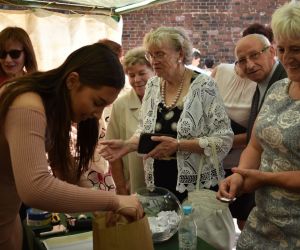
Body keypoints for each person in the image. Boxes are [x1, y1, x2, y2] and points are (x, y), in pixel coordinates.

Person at [0, 43, 143, 250]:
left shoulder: (51, 105)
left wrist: (99, 204)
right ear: (72, 81)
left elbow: (63, 165)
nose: (97, 113)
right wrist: (113, 201)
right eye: (97, 102)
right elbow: (35, 189)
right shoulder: (26, 105)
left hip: (9, 225)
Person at [100, 26, 233, 203]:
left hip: (196, 188)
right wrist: (128, 145)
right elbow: (144, 130)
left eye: (160, 54)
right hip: (158, 184)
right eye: (150, 55)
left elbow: (224, 139)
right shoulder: (153, 86)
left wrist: (178, 145)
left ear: (179, 54)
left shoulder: (204, 86)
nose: (154, 61)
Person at [218, 2, 300, 248]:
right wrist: (241, 176)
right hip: (263, 221)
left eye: (296, 49)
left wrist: (264, 178)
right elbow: (255, 145)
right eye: (282, 49)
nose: (286, 58)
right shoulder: (277, 89)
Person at [105, 47, 155, 195]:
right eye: (131, 75)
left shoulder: (166, 101)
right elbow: (112, 152)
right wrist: (121, 188)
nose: (137, 80)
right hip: (133, 185)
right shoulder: (121, 105)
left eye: (142, 73)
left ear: (154, 71)